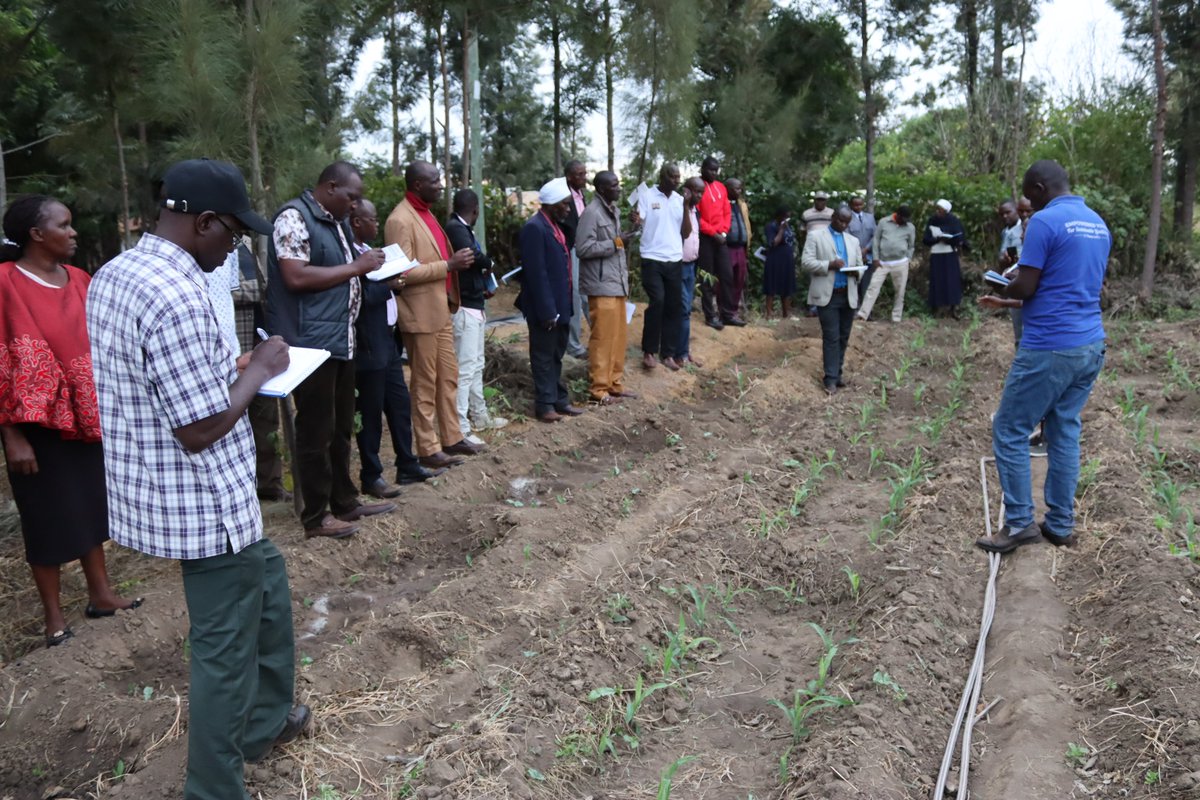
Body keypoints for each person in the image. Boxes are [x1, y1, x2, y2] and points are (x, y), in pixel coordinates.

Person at [87, 158, 310, 800]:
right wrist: (260, 368)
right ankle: (215, 787)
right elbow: (200, 428)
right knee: (224, 650)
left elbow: (157, 375)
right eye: (234, 234)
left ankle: (264, 722)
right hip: (205, 497)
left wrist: (230, 366)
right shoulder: (177, 295)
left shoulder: (117, 273)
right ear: (204, 222)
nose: (234, 249)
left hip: (163, 487)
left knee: (267, 579)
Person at [0, 195, 140, 649]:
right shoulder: (5, 282)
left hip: (87, 415)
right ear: (36, 234)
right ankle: (53, 618)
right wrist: (12, 435)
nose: (73, 232)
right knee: (46, 515)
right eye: (64, 225)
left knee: (89, 503)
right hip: (35, 424)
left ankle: (101, 595)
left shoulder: (80, 279)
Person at [976, 160, 1110, 554]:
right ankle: (1060, 524)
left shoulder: (1045, 222)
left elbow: (1027, 287)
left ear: (1038, 188)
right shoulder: (1096, 223)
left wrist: (1004, 285)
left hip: (1051, 344)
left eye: (1028, 197)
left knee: (1010, 427)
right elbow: (1071, 285)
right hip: (1090, 343)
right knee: (1063, 429)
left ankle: (1019, 523)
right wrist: (1009, 299)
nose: (1027, 207)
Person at [266, 160, 396, 539]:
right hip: (310, 343)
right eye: (351, 197)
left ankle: (345, 501)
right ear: (330, 187)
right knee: (316, 430)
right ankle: (316, 516)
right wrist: (356, 267)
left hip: (340, 339)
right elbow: (295, 275)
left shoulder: (336, 222)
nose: (355, 205)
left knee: (341, 427)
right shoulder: (294, 218)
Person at [384, 161, 482, 468]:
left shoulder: (427, 214)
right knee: (425, 382)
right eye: (435, 181)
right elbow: (401, 273)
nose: (440, 185)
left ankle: (452, 437)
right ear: (417, 185)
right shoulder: (400, 220)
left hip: (440, 310)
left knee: (448, 376)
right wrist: (448, 266)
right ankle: (427, 448)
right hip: (419, 315)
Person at [349, 200, 446, 500]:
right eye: (372, 219)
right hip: (368, 342)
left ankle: (407, 463)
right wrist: (390, 285)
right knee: (371, 412)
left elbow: (388, 285)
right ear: (356, 222)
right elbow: (361, 296)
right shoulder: (351, 256)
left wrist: (398, 281)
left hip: (388, 339)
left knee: (399, 404)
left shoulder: (371, 250)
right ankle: (371, 475)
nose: (377, 225)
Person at [517, 178, 585, 423]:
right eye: (565, 204)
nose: (568, 209)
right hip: (545, 308)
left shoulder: (556, 226)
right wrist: (547, 311)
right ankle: (545, 404)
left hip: (561, 304)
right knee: (543, 356)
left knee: (556, 354)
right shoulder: (534, 228)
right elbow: (536, 274)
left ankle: (559, 399)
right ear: (552, 204)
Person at [446, 189, 508, 441]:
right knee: (465, 367)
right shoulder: (456, 228)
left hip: (474, 303)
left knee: (476, 363)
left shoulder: (461, 228)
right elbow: (473, 256)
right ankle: (460, 426)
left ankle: (480, 415)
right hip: (464, 308)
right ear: (475, 210)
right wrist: (489, 263)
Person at [231, 242, 289, 502]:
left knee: (267, 418)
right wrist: (263, 290)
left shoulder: (246, 246)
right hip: (235, 349)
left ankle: (269, 483)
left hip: (259, 346)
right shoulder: (213, 252)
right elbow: (225, 292)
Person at [577, 171, 639, 404]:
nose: (618, 189)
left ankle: (614, 383)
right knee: (602, 338)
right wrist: (617, 242)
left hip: (616, 283)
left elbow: (616, 241)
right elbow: (583, 248)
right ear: (602, 189)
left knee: (618, 337)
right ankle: (599, 389)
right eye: (614, 185)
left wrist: (630, 231)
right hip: (601, 284)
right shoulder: (591, 213)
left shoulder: (613, 211)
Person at [802, 207, 864, 394]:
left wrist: (856, 272)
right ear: (833, 217)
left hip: (848, 294)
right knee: (831, 337)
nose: (843, 225)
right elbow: (806, 263)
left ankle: (837, 374)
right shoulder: (815, 236)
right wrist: (830, 264)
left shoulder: (853, 241)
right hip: (827, 295)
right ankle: (829, 378)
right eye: (840, 221)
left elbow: (860, 266)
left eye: (847, 222)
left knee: (844, 336)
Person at [635, 163, 684, 371]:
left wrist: (688, 208)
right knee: (658, 300)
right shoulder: (647, 196)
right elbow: (638, 220)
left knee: (673, 305)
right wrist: (635, 220)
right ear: (662, 177)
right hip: (651, 257)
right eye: (673, 177)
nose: (677, 181)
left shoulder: (680, 200)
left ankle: (668, 354)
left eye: (678, 177)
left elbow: (685, 231)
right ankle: (649, 351)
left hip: (674, 258)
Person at [696, 157, 743, 328]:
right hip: (705, 238)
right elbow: (696, 216)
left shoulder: (721, 187)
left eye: (716, 170)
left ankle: (728, 314)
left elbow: (726, 212)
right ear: (703, 169)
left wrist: (723, 231)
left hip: (721, 238)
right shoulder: (697, 186)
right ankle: (710, 316)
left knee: (727, 275)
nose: (714, 173)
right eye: (711, 170)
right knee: (707, 278)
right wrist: (712, 232)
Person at [859, 204, 916, 322]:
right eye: (903, 219)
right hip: (882, 262)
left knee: (900, 291)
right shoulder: (884, 222)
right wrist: (875, 258)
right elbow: (876, 240)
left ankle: (896, 317)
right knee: (873, 287)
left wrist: (908, 259)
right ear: (897, 215)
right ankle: (863, 315)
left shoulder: (910, 227)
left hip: (901, 262)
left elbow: (911, 245)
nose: (905, 222)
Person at [672, 177, 704, 368]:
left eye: (701, 192)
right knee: (682, 309)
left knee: (686, 310)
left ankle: (684, 350)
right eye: (696, 191)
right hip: (679, 265)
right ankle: (680, 353)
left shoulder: (695, 211)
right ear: (686, 190)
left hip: (691, 265)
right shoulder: (678, 207)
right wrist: (684, 205)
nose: (699, 196)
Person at [560, 160, 590, 359]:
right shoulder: (564, 197)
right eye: (580, 174)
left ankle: (600, 339)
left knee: (587, 294)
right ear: (569, 177)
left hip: (585, 250)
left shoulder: (581, 195)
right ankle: (573, 345)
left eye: (584, 173)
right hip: (570, 250)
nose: (584, 177)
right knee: (576, 296)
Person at [922, 199, 969, 318]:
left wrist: (948, 239)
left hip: (950, 254)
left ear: (946, 211)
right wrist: (938, 239)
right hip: (936, 254)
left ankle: (953, 308)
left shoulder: (954, 221)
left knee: (952, 281)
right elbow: (926, 239)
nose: (938, 212)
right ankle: (936, 308)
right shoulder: (932, 220)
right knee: (937, 281)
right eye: (937, 209)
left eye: (940, 210)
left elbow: (960, 238)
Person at [995, 199, 1025, 345]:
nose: (1005, 216)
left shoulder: (1024, 228)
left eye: (1008, 212)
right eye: (1002, 214)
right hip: (1010, 276)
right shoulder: (1005, 231)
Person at [800, 191, 835, 315]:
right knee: (813, 277)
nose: (820, 202)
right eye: (818, 199)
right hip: (812, 248)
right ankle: (814, 307)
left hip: (828, 247)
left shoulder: (831, 213)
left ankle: (828, 305)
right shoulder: (806, 214)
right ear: (814, 200)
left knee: (829, 275)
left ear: (826, 201)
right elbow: (802, 231)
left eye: (822, 200)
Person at [761, 207, 796, 321]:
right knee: (771, 285)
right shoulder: (771, 226)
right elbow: (773, 243)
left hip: (787, 259)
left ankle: (786, 313)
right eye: (785, 217)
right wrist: (781, 230)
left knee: (786, 285)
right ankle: (769, 314)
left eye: (788, 217)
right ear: (779, 216)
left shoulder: (788, 226)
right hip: (775, 259)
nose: (787, 219)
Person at [725, 178, 752, 318]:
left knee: (739, 280)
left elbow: (746, 224)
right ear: (728, 189)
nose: (739, 191)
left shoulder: (741, 205)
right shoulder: (722, 203)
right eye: (736, 188)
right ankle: (724, 310)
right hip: (727, 247)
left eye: (740, 188)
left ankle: (733, 311)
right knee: (726, 280)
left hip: (741, 248)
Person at [846, 196, 876, 303]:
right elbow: (847, 236)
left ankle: (865, 307)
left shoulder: (870, 217)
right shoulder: (847, 218)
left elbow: (875, 235)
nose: (858, 207)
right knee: (854, 281)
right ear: (851, 205)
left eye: (860, 204)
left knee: (867, 282)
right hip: (853, 255)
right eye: (855, 205)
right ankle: (854, 305)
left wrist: (866, 249)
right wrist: (859, 252)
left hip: (868, 255)